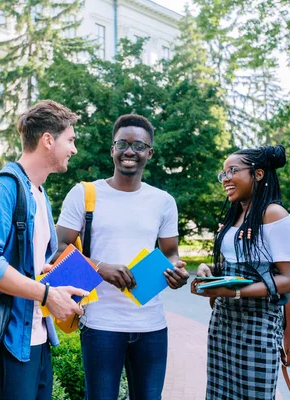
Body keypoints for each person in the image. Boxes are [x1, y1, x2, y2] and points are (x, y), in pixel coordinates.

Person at [55, 114, 189, 400]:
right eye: (123, 144)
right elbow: (59, 249)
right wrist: (101, 268)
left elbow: (170, 252)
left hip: (151, 326)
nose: (130, 151)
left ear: (149, 153)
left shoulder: (163, 201)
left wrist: (176, 270)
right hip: (101, 324)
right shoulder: (84, 194)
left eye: (139, 146)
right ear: (112, 149)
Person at [0, 100, 89, 399]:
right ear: (48, 140)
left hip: (37, 338)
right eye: (70, 140)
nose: (73, 149)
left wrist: (45, 273)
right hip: (5, 342)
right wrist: (47, 294)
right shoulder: (2, 189)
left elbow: (23, 264)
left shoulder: (39, 194)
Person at [191, 144, 290, 399]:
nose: (226, 179)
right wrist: (211, 269)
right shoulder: (236, 216)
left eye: (232, 171)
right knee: (219, 394)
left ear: (258, 174)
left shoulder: (274, 215)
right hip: (222, 324)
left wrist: (288, 333)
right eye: (223, 174)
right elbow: (241, 264)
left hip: (258, 326)